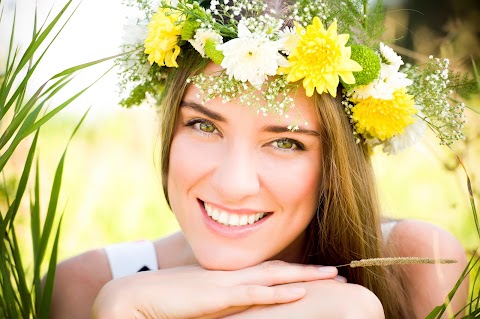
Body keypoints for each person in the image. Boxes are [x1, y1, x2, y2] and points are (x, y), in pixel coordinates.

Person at [49, 0, 470, 318]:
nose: (234, 184)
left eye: (286, 143)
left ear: (336, 166)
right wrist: (125, 306)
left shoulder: (417, 262)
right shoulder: (88, 284)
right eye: (204, 126)